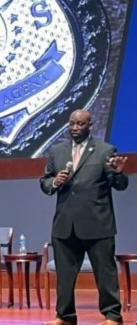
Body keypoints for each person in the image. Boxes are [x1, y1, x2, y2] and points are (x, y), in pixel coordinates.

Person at [40, 110, 128, 325]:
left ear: (90, 125)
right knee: (65, 276)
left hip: (97, 223)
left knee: (105, 274)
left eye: (80, 123)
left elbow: (119, 185)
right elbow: (45, 181)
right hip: (65, 224)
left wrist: (117, 173)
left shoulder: (105, 150)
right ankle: (65, 316)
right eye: (72, 123)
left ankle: (112, 316)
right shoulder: (56, 151)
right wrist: (54, 182)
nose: (75, 127)